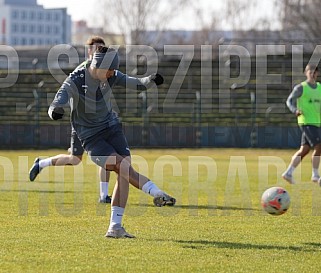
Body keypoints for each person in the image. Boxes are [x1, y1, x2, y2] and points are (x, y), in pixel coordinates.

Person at [48, 45, 176, 238]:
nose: (112, 74)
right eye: (108, 70)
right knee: (122, 166)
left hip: (112, 128)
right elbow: (58, 99)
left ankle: (115, 227)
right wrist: (55, 111)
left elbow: (135, 82)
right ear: (97, 65)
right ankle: (156, 193)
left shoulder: (111, 73)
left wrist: (149, 80)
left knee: (124, 171)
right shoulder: (76, 80)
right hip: (92, 138)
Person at [29, 36, 112, 203]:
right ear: (89, 51)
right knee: (74, 160)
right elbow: (67, 89)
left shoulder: (104, 71)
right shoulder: (81, 70)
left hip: (98, 122)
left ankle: (104, 196)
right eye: (96, 49)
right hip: (82, 123)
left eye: (102, 50)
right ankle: (41, 163)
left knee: (106, 156)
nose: (99, 53)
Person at [282, 64, 321, 185]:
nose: (312, 74)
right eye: (310, 71)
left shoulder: (320, 87)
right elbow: (289, 100)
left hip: (317, 122)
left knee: (304, 150)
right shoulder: (301, 88)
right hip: (306, 122)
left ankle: (288, 173)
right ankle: (315, 175)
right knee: (319, 146)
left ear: (317, 74)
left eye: (315, 72)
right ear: (306, 73)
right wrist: (295, 110)